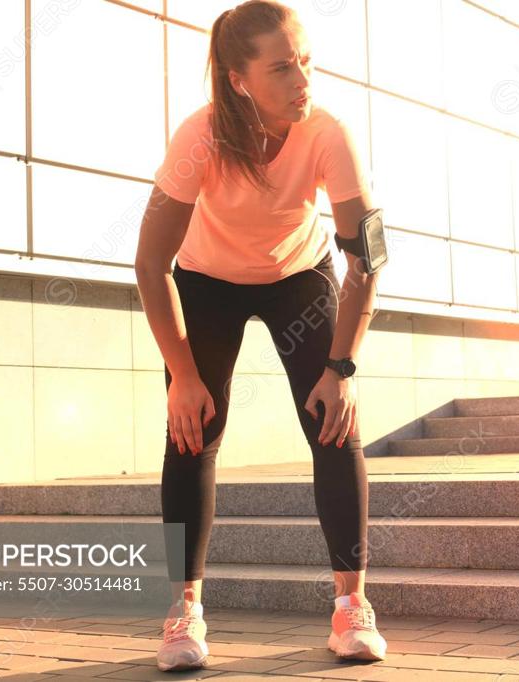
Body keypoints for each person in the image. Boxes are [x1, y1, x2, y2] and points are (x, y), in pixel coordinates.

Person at [133, 0, 388, 671]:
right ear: (239, 78)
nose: (302, 78)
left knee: (335, 419)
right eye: (282, 67)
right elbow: (149, 263)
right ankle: (184, 610)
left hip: (299, 275)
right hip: (207, 280)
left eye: (304, 60)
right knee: (193, 428)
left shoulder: (327, 131)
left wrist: (344, 366)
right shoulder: (201, 137)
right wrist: (181, 375)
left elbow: (366, 257)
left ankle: (349, 607)